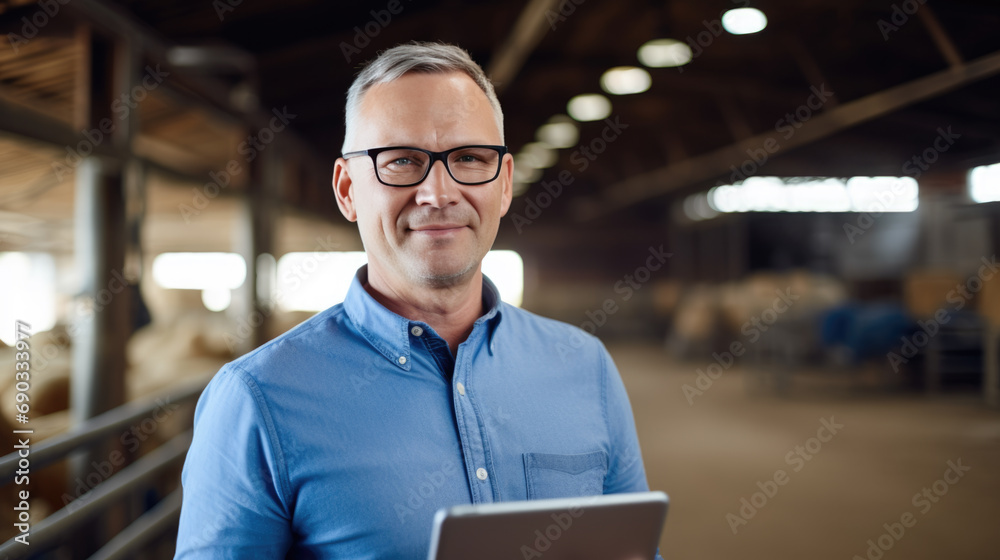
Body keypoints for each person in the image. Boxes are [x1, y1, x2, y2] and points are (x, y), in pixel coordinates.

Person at [175, 41, 661, 559]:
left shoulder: (585, 367)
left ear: (503, 185)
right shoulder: (257, 400)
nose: (438, 193)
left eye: (470, 158)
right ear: (347, 190)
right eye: (401, 160)